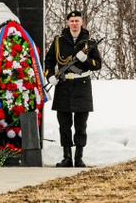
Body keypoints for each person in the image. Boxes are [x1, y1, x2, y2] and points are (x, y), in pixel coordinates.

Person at [44, 10, 102, 168]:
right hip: (63, 86)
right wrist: (50, 76)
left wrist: (87, 60)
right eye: (72, 21)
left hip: (82, 86)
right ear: (67, 23)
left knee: (80, 125)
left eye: (77, 21)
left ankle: (79, 158)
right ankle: (67, 158)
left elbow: (98, 65)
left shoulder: (89, 42)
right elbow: (49, 61)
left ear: (81, 22)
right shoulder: (58, 41)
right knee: (64, 124)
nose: (74, 24)